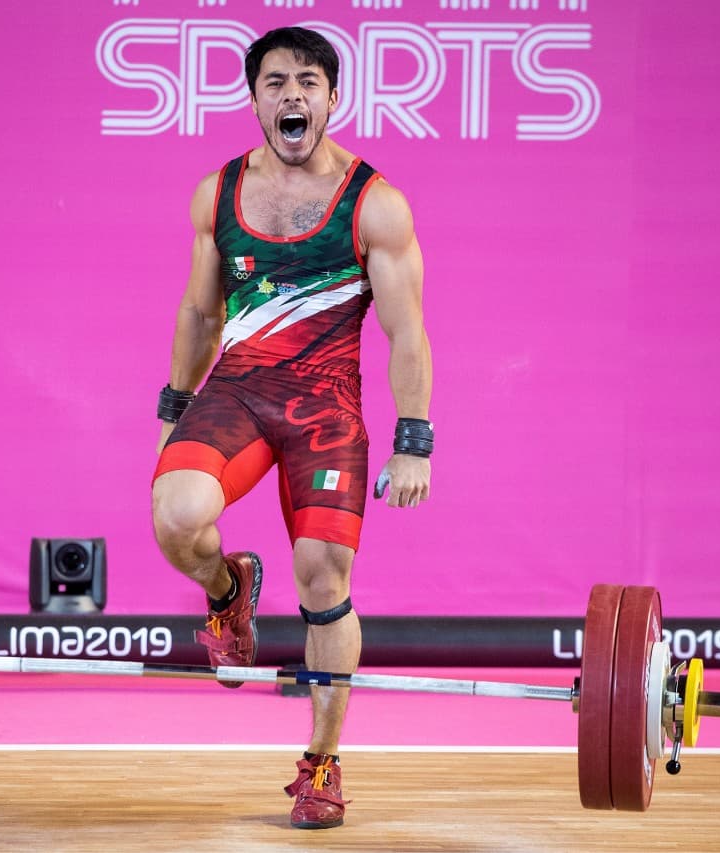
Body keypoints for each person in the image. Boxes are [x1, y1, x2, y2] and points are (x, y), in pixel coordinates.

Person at [150, 26, 433, 830]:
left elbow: (406, 332)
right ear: (255, 100)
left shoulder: (375, 203)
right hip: (238, 392)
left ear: (333, 98)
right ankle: (228, 591)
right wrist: (173, 408)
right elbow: (200, 312)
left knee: (322, 576)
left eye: (308, 82)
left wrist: (414, 438)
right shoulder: (219, 193)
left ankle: (321, 762)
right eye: (275, 83)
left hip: (324, 408)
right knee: (175, 516)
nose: (292, 96)